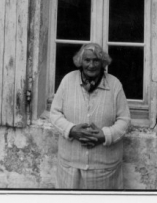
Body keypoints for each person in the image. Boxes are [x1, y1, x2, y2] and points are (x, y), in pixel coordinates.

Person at [50, 43, 131, 190]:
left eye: (96, 60)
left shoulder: (114, 84)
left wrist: (105, 135)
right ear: (81, 62)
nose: (91, 65)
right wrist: (72, 130)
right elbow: (54, 113)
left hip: (104, 169)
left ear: (103, 62)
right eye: (87, 60)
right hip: (70, 166)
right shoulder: (68, 80)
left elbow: (124, 120)